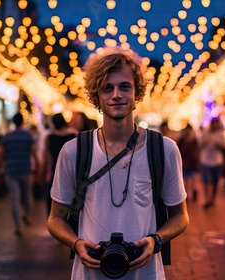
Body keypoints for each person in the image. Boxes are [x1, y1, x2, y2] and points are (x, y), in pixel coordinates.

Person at [47, 47, 189, 279]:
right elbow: (55, 218)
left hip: (146, 274)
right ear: (97, 96)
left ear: (136, 93)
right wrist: (76, 243)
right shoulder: (74, 151)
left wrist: (156, 240)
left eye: (125, 86)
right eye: (107, 88)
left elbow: (181, 216)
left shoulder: (164, 149)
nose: (116, 95)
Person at [0, 112, 41, 236]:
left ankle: (18, 227)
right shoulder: (27, 136)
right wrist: (38, 168)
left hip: (11, 171)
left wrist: (2, 165)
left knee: (15, 198)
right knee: (27, 194)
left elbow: (0, 154)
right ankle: (28, 216)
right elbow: (34, 153)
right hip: (25, 170)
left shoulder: (7, 137)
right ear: (22, 122)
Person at [42, 113, 77, 218]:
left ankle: (54, 220)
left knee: (54, 196)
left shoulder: (50, 137)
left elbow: (46, 157)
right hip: (72, 170)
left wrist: (43, 173)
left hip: (55, 170)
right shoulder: (73, 135)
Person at [199, 118, 225, 208]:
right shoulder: (206, 133)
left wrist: (219, 144)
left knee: (215, 181)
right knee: (206, 180)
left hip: (217, 161)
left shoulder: (220, 134)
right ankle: (207, 199)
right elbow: (200, 144)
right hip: (206, 160)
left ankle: (212, 199)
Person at [176, 124, 199, 202]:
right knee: (185, 179)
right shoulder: (181, 141)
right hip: (184, 162)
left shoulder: (194, 141)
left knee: (192, 179)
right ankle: (186, 195)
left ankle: (193, 193)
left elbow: (197, 151)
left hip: (192, 163)